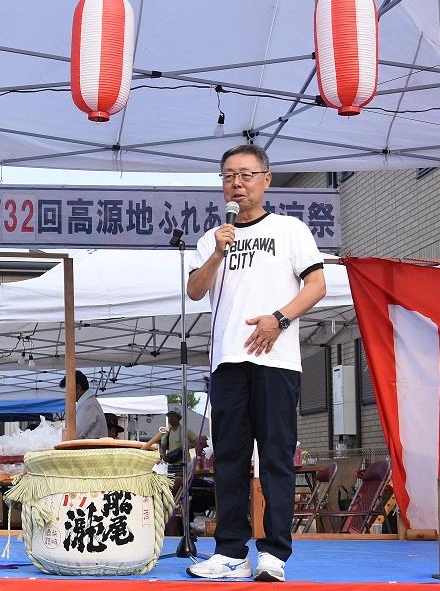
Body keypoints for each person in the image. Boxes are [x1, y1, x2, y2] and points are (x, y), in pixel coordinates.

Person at [185, 144, 326, 583]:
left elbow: (317, 285)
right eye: (229, 175)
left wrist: (279, 319)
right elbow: (194, 291)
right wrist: (215, 254)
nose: (237, 183)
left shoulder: (290, 230)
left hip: (276, 362)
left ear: (266, 179)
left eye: (246, 174)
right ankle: (230, 552)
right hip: (228, 361)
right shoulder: (213, 237)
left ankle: (274, 555)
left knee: (276, 457)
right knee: (227, 458)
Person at [60, 370, 107, 440]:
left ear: (78, 388)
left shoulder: (88, 405)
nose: (67, 394)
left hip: (92, 449)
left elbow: (75, 434)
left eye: (68, 390)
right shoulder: (87, 403)